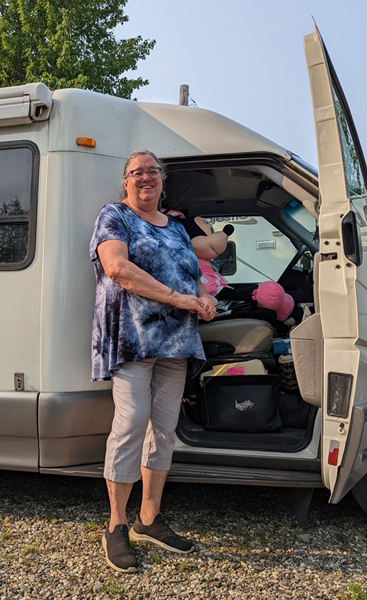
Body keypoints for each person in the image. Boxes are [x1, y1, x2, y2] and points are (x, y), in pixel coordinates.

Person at [89, 149, 214, 573]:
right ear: (125, 181)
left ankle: (149, 519)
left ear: (163, 181)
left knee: (163, 429)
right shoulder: (114, 216)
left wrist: (205, 299)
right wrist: (180, 299)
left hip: (176, 341)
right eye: (137, 172)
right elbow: (117, 268)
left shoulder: (177, 228)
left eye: (153, 172)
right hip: (133, 339)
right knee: (131, 423)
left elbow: (192, 277)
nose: (145, 178)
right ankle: (116, 525)